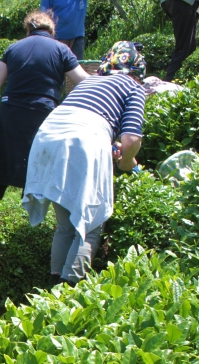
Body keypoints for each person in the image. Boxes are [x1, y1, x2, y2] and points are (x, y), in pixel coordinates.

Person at [23, 41, 147, 286]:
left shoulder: (89, 81)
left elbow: (84, 119)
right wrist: (128, 161)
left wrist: (110, 148)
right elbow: (131, 139)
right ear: (137, 70)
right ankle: (70, 291)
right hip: (82, 140)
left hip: (48, 136)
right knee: (89, 223)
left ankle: (53, 288)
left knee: (66, 224)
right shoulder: (133, 86)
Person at [0, 10, 89, 199]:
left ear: (27, 30)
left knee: (2, 155)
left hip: (10, 109)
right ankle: (30, 201)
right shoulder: (61, 49)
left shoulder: (13, 48)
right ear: (51, 30)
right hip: (42, 111)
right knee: (36, 156)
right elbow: (82, 80)